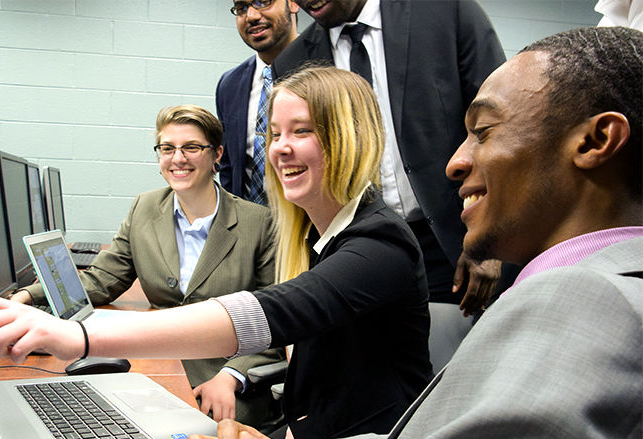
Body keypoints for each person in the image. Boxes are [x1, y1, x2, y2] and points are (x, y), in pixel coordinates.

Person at [195, 25, 643, 439]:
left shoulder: (584, 298)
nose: (454, 163)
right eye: (274, 135)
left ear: (595, 140)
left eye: (483, 132)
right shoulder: (571, 287)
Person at [0, 67, 433, 438]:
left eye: (301, 131)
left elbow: (268, 314)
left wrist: (79, 337)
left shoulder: (379, 244)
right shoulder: (316, 236)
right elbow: (327, 377)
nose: (281, 149)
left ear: (349, 136)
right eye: (275, 134)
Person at [9, 105, 285, 427]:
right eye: (167, 148)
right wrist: (26, 297)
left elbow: (276, 317)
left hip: (223, 375)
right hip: (157, 359)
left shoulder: (259, 223)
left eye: (191, 147)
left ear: (217, 154)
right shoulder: (145, 208)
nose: (177, 158)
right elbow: (101, 280)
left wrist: (232, 376)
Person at [272, 0, 508, 313]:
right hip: (359, 250)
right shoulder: (294, 59)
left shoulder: (447, 13)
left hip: (455, 240)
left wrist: (491, 238)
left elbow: (500, 128)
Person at [217, 0, 299, 205]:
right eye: (241, 8)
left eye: (263, 1)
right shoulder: (229, 85)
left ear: (293, 3)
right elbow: (229, 167)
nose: (251, 16)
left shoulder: (328, 72)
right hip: (249, 227)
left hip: (312, 227)